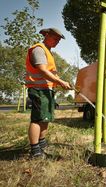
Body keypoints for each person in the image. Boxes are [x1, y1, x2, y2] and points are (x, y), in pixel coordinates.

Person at [25, 28, 72, 158]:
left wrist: (57, 83)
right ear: (46, 35)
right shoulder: (39, 49)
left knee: (45, 118)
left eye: (58, 40)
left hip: (46, 90)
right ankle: (35, 151)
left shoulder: (48, 52)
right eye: (55, 38)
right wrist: (61, 81)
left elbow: (50, 73)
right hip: (38, 89)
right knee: (37, 119)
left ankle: (42, 144)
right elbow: (43, 71)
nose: (57, 42)